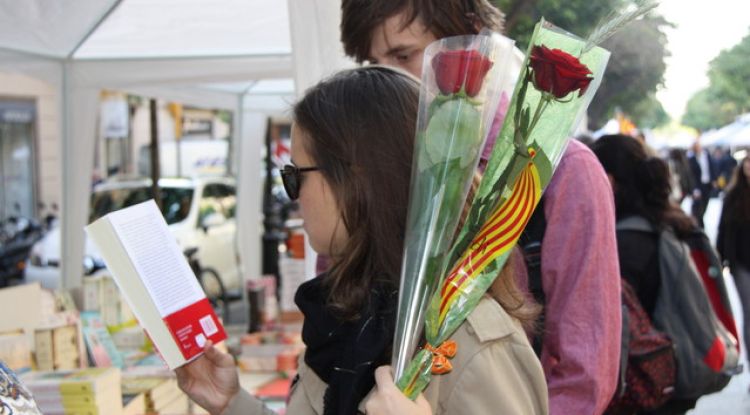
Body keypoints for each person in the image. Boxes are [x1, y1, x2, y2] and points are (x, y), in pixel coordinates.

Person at [176, 66, 548, 415]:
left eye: (295, 175)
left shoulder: (468, 342)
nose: (293, 196)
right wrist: (232, 404)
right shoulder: (346, 311)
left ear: (356, 179)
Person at [340, 2, 622, 414]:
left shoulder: (558, 172)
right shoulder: (367, 173)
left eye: (404, 55)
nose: (389, 78)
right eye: (371, 63)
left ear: (471, 40)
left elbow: (582, 374)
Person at [591, 134, 700, 414]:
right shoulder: (671, 222)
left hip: (643, 386)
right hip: (670, 372)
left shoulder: (622, 243)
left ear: (609, 181)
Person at [717, 156, 750, 373]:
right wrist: (721, 259)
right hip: (742, 261)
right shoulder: (734, 196)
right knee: (749, 311)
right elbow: (724, 229)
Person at [687, 139, 717, 228]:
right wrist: (694, 189)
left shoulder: (706, 155)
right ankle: (699, 224)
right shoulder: (691, 159)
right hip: (698, 186)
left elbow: (712, 167)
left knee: (705, 203)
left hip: (707, 184)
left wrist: (714, 180)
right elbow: (691, 175)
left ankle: (700, 221)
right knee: (697, 206)